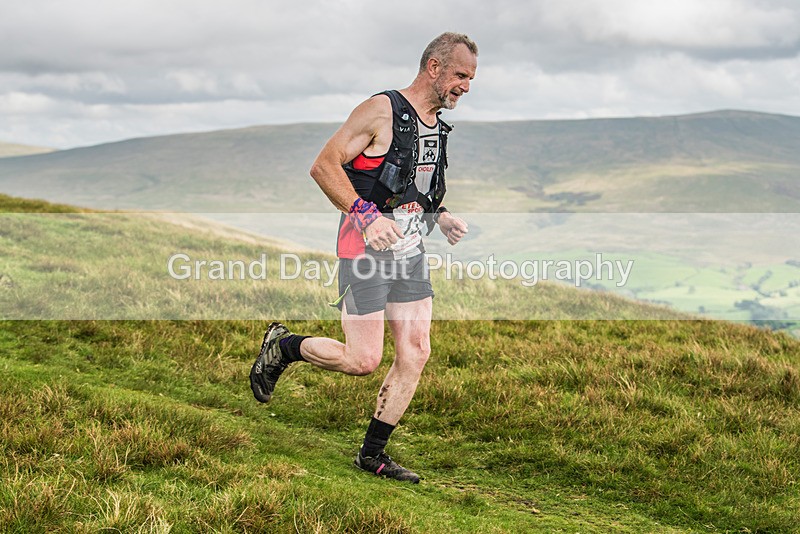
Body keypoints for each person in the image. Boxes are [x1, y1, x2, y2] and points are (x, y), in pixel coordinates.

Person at [250, 32, 477, 483]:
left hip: (410, 252)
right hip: (364, 251)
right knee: (362, 360)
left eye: (471, 78)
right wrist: (365, 216)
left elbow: (412, 189)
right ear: (433, 68)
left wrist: (442, 215)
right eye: (460, 75)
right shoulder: (381, 110)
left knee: (416, 351)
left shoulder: (435, 127)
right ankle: (284, 346)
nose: (466, 86)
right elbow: (324, 165)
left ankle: (372, 454)